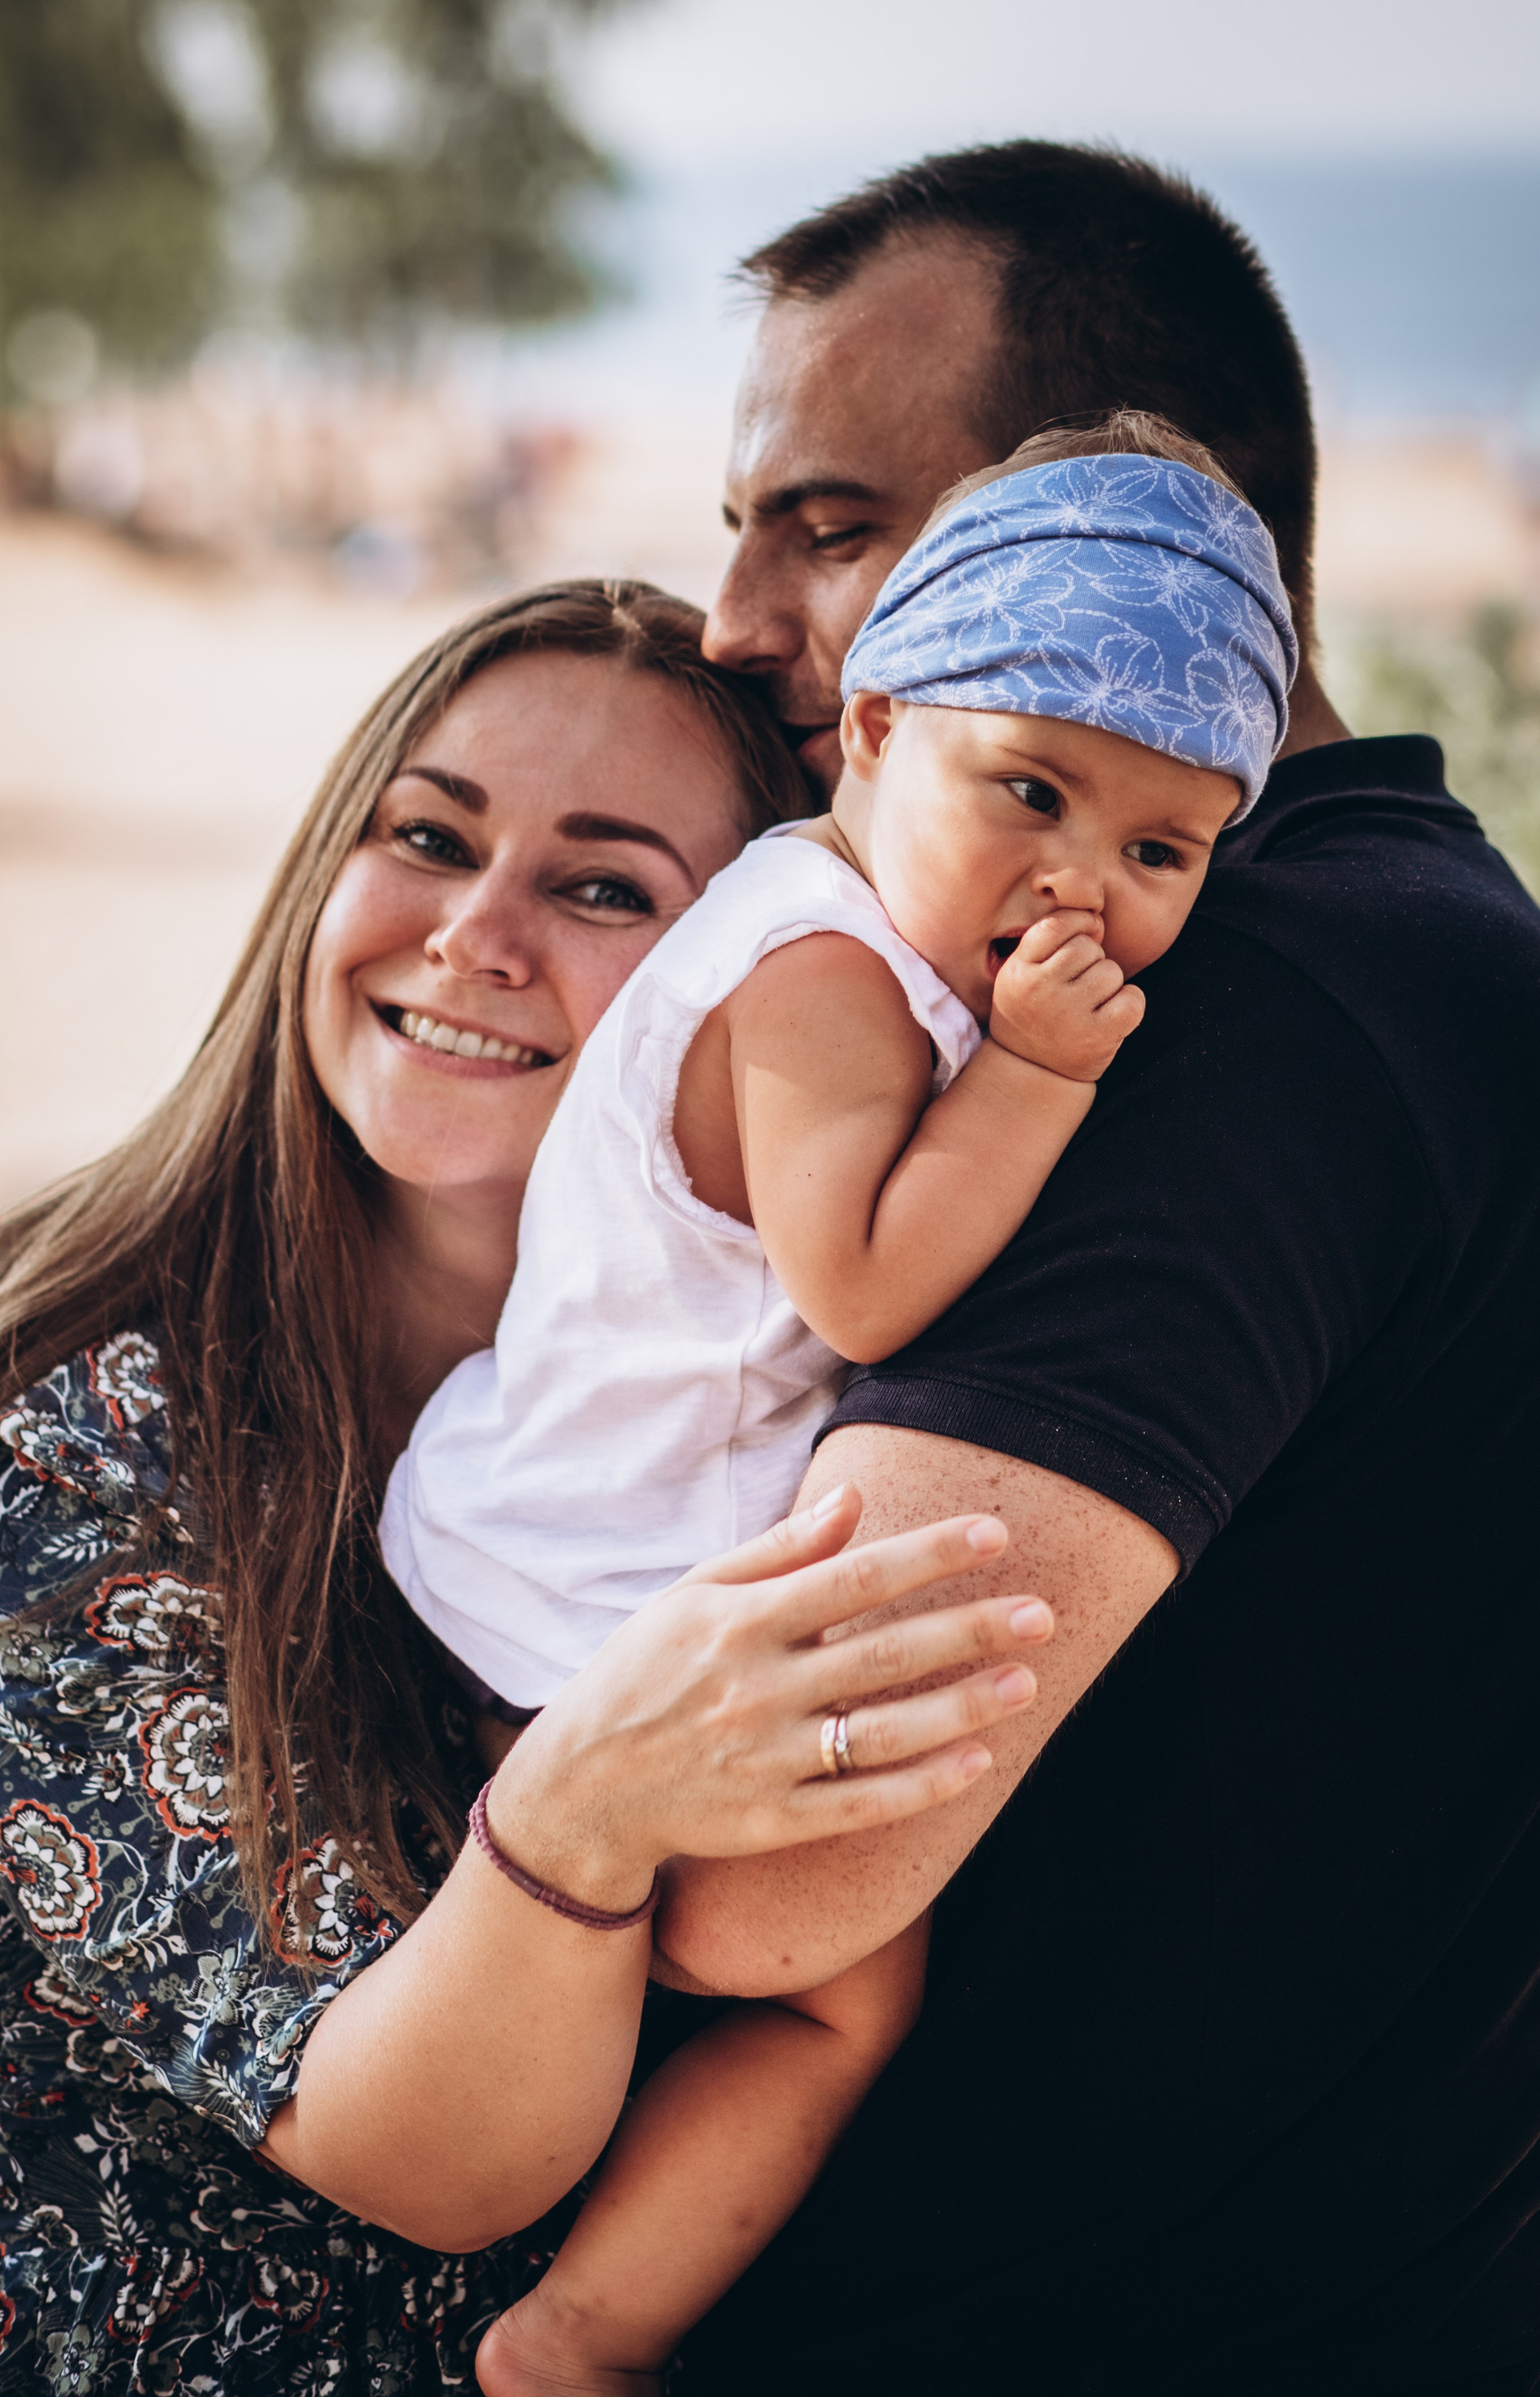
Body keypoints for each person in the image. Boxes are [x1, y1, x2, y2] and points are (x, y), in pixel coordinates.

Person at [0, 582, 1059, 2395]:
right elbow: (429, 2158)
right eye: (430, 836)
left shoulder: (826, 1410)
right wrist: (595, 1798)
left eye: (606, 885)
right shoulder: (88, 1429)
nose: (474, 931)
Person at [655, 143, 1540, 2393]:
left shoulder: (1239, 1016)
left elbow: (771, 1872)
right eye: (744, 519)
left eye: (834, 528)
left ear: (1158, 525)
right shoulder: (1406, 933)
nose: (731, 618)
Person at [386, 417, 1295, 2396]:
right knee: (835, 2001)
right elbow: (869, 1279)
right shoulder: (822, 978)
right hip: (587, 1578)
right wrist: (1044, 1084)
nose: (1081, 882)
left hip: (585, 1521)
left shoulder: (874, 917)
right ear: (872, 725)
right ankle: (578, 2345)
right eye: (1031, 792)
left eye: (1160, 849)